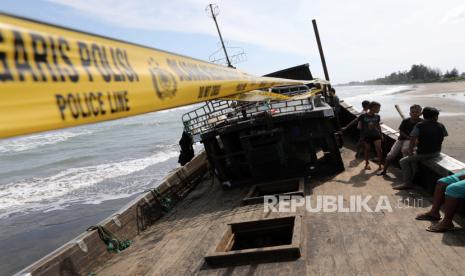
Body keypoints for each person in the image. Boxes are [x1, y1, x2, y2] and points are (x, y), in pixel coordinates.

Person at [394, 107, 448, 190]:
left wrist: (411, 150)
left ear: (423, 116)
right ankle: (415, 173)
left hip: (423, 154)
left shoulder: (419, 125)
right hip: (436, 152)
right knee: (413, 158)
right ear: (435, 117)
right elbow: (442, 137)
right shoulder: (441, 125)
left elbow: (412, 139)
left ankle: (407, 183)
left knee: (403, 161)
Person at [377, 105, 422, 176]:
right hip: (402, 139)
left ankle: (407, 176)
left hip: (412, 141)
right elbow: (401, 132)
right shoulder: (406, 121)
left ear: (420, 113)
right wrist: (409, 137)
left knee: (405, 153)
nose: (415, 113)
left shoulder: (421, 123)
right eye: (413, 112)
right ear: (410, 113)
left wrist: (412, 140)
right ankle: (384, 170)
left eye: (417, 112)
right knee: (390, 155)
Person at [357, 101, 383, 170]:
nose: (379, 110)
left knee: (379, 149)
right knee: (367, 150)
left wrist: (381, 134)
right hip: (367, 136)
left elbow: (378, 126)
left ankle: (380, 165)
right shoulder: (363, 116)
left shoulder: (377, 116)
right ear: (373, 108)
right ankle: (366, 164)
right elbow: (357, 124)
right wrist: (346, 127)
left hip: (376, 135)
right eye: (378, 108)